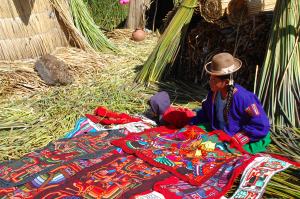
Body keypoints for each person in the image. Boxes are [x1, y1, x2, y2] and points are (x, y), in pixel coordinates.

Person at [191, 52, 271, 154]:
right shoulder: (214, 93)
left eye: (214, 80)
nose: (210, 82)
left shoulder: (244, 98)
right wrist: (192, 119)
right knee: (191, 135)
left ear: (226, 82)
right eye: (210, 78)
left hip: (235, 134)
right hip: (219, 130)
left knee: (212, 150)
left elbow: (261, 124)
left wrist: (239, 138)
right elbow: (207, 112)